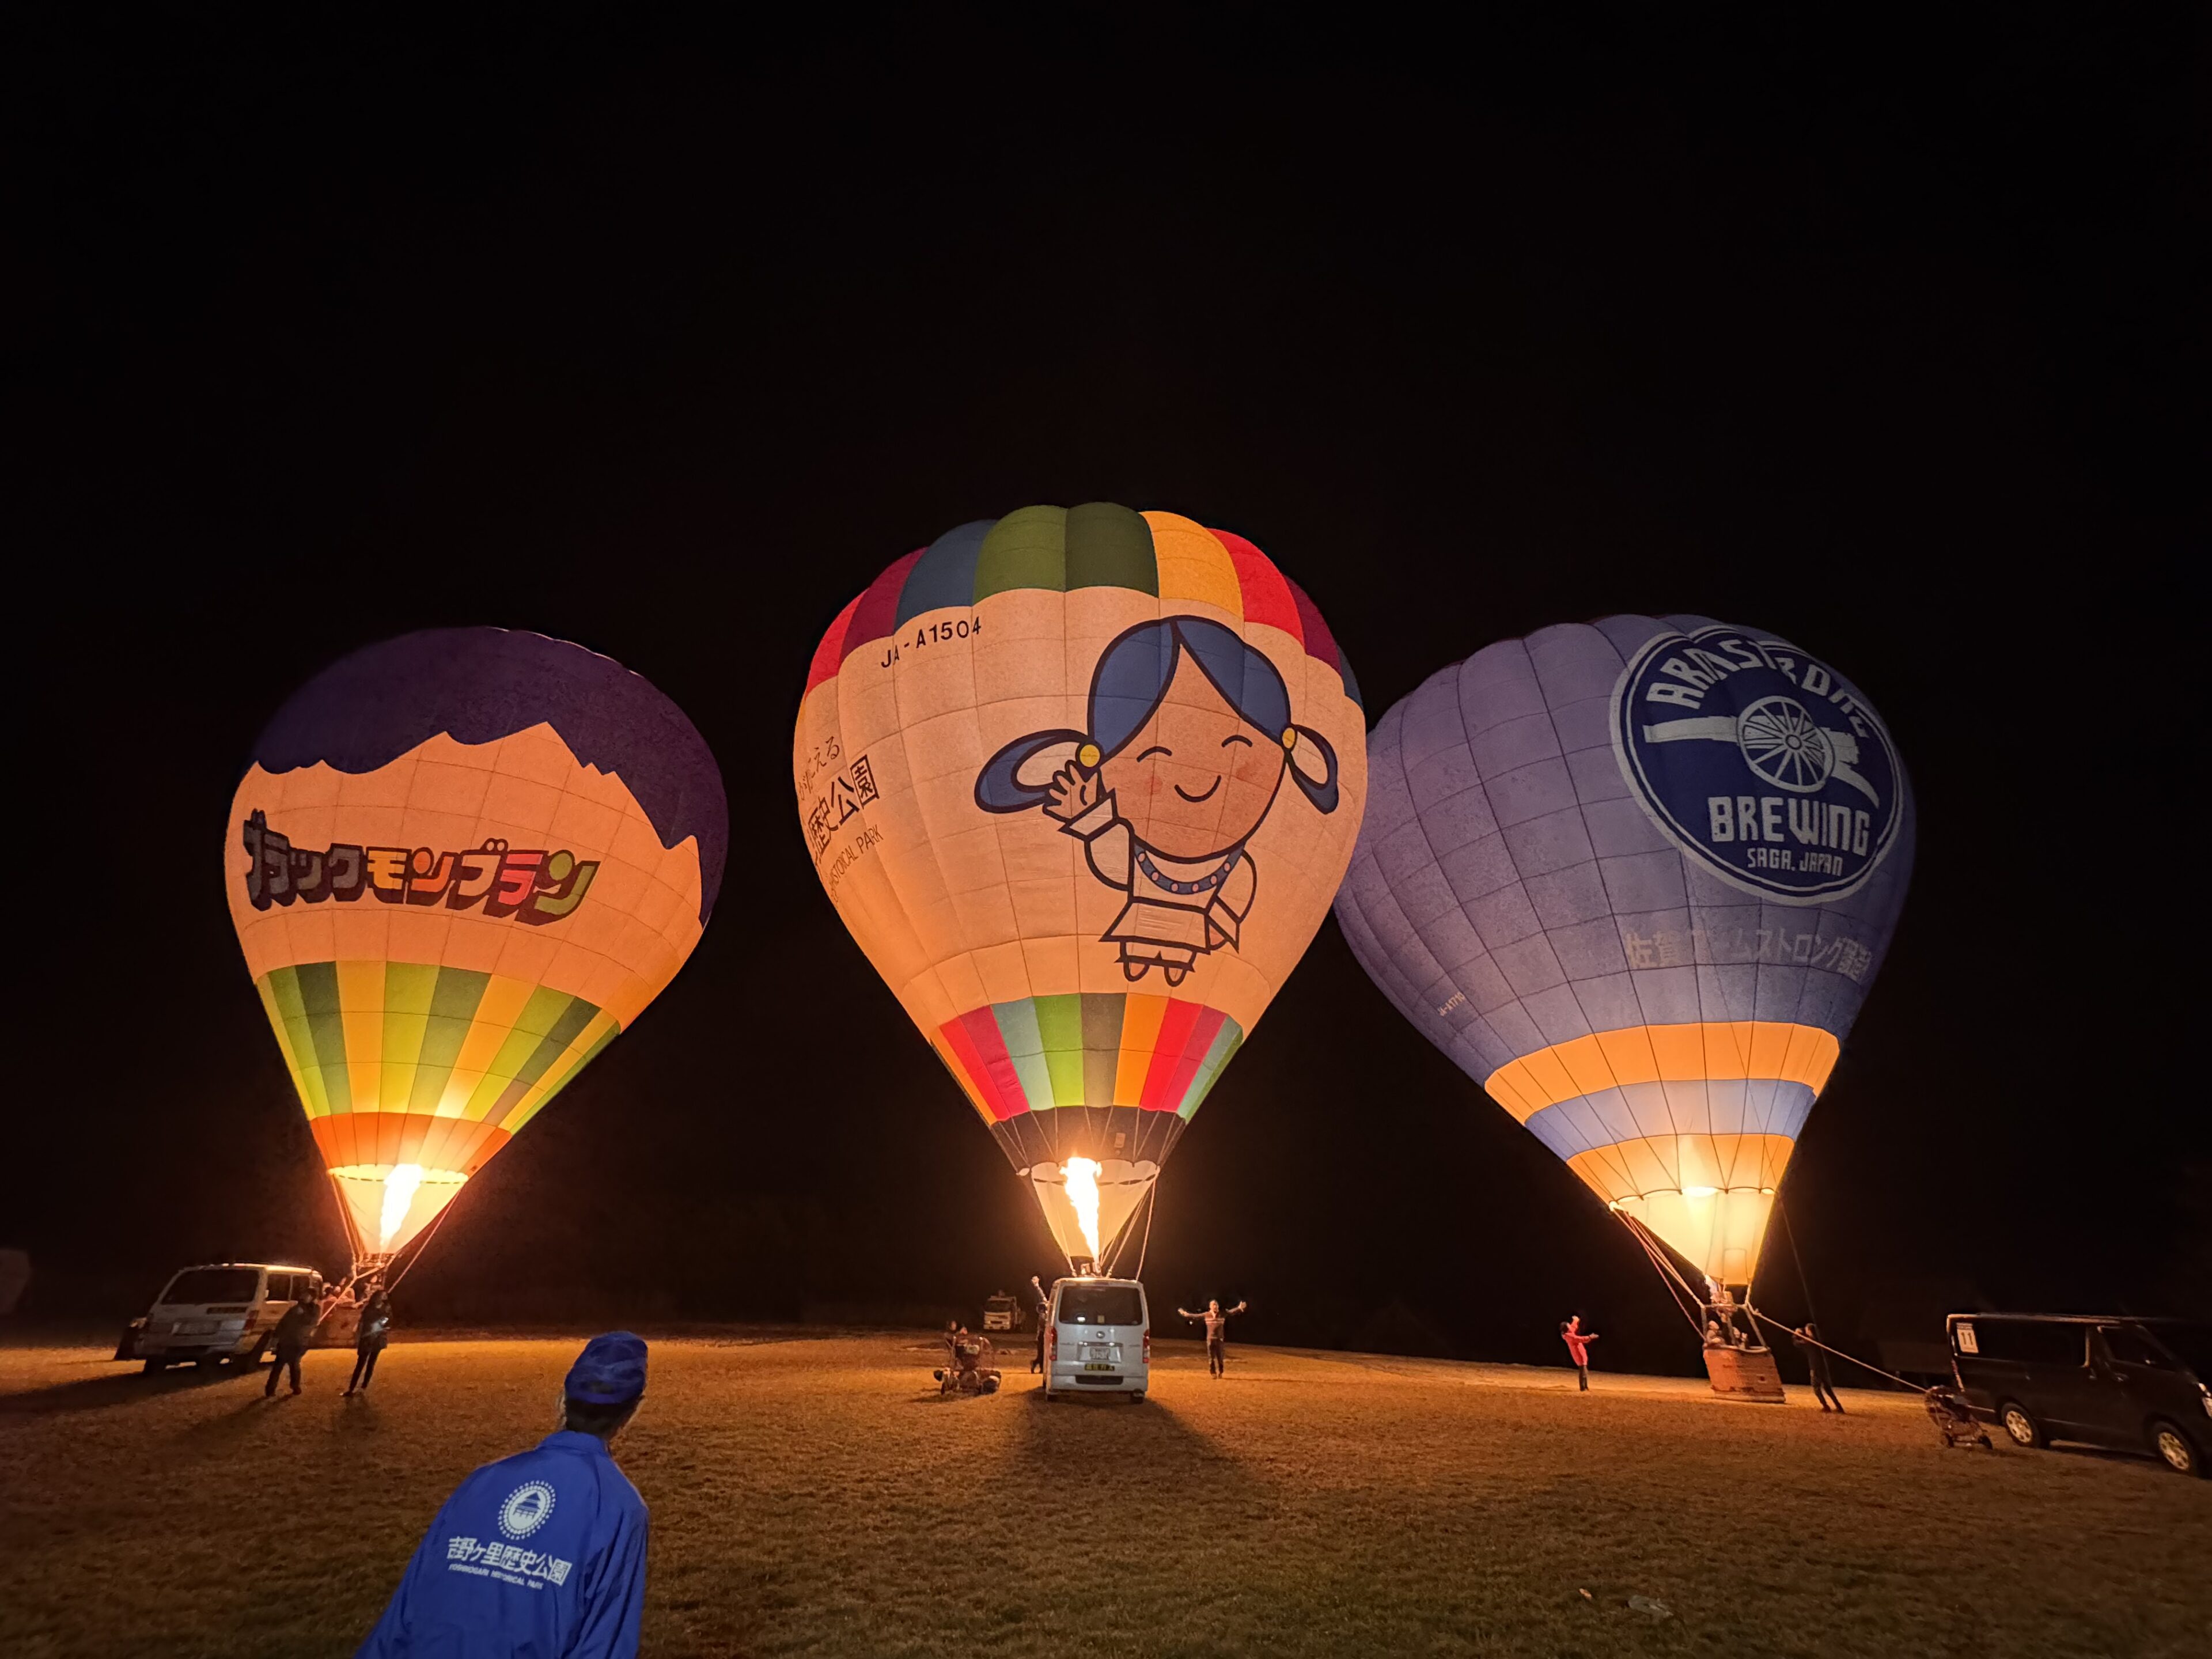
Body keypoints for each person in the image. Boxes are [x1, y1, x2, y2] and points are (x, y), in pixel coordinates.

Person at [357, 1332, 650, 1658]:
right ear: (634, 1412)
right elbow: (604, 1641)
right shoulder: (619, 1507)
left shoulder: (484, 1479)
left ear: (561, 1400)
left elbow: (409, 1603)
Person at [264, 1290, 321, 1398]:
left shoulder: (314, 1310)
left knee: (294, 1364)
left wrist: (303, 1315)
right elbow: (283, 1322)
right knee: (278, 1366)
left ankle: (295, 1387)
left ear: (312, 1298)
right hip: (286, 1341)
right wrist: (276, 1337)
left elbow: (312, 1323)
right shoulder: (296, 1308)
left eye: (307, 1295)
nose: (304, 1296)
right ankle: (270, 1390)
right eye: (304, 1294)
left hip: (299, 1342)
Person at [1177, 1298, 1247, 1377]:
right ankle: (1213, 1373)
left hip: (1220, 1339)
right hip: (1210, 1339)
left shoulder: (1222, 1314)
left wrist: (1239, 1308)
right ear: (1210, 1307)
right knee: (1211, 1357)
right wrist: (1186, 1314)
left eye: (1216, 1304)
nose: (1215, 1306)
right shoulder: (1206, 1315)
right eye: (1214, 1305)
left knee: (1220, 1357)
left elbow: (1231, 1312)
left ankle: (1221, 1372)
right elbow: (1196, 1316)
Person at [345, 1285, 392, 1397]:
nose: (384, 1297)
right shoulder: (369, 1308)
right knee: (360, 1363)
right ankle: (351, 1388)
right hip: (366, 1338)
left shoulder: (387, 1308)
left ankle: (363, 1387)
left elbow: (387, 1320)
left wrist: (377, 1328)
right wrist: (359, 1330)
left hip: (378, 1338)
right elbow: (363, 1320)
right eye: (382, 1295)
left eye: (385, 1296)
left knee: (371, 1364)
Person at [1793, 1323, 1846, 1412]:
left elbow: (1797, 1344)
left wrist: (1795, 1335)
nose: (1806, 1331)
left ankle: (1826, 1406)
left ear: (1809, 1331)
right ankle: (1839, 1406)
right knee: (1827, 1388)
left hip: (1815, 1367)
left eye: (1807, 1330)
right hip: (1822, 1367)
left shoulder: (1810, 1342)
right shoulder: (1818, 1340)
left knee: (1816, 1387)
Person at [1559, 1315, 1599, 1391]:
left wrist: (1576, 1320)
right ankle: (1583, 1388)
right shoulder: (1569, 1336)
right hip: (1579, 1355)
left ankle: (1585, 1386)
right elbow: (1580, 1339)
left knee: (1585, 1371)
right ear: (1567, 1329)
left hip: (1581, 1354)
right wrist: (1590, 1337)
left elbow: (1573, 1327)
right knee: (1583, 1371)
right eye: (1569, 1326)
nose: (1570, 1326)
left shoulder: (1569, 1333)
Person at [1028, 1275, 1050, 1375]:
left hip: (1044, 1335)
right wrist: (1037, 1287)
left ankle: (1039, 1366)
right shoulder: (1043, 1315)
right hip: (1042, 1335)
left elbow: (1042, 1297)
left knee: (1043, 1353)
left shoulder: (1045, 1313)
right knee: (1042, 1353)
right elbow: (1041, 1297)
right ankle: (1037, 1365)